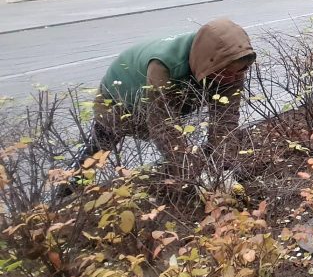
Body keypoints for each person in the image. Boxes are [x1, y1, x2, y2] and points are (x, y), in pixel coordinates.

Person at [71, 19, 256, 181]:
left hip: (169, 99)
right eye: (226, 74)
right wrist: (189, 173)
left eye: (240, 72)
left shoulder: (232, 64)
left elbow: (225, 120)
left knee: (212, 154)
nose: (233, 79)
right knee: (96, 152)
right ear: (209, 62)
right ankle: (67, 191)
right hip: (118, 99)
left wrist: (223, 167)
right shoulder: (164, 66)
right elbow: (162, 127)